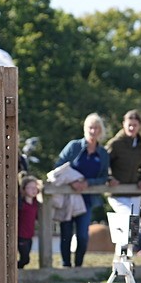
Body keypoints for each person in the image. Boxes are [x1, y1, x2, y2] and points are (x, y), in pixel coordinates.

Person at [54, 113, 116, 268]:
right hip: (68, 197)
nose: (93, 131)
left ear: (100, 131)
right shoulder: (74, 146)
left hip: (87, 199)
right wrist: (73, 182)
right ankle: (65, 265)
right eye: (90, 127)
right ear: (85, 129)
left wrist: (88, 183)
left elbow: (103, 177)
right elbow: (58, 167)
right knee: (66, 234)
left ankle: (79, 266)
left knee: (82, 235)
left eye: (96, 128)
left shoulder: (102, 154)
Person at [106, 109, 141, 210]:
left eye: (135, 125)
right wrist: (109, 178)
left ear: (139, 126)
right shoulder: (115, 144)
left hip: (134, 193)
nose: (131, 128)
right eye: (129, 124)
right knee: (126, 217)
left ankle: (116, 226)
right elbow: (104, 163)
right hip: (117, 193)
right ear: (123, 124)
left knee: (133, 224)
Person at [18, 174, 42, 269]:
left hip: (29, 236)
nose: (33, 190)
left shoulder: (36, 203)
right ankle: (12, 270)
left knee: (26, 259)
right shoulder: (21, 205)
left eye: (35, 187)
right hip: (21, 236)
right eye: (30, 187)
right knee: (25, 259)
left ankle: (18, 272)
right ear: (24, 189)